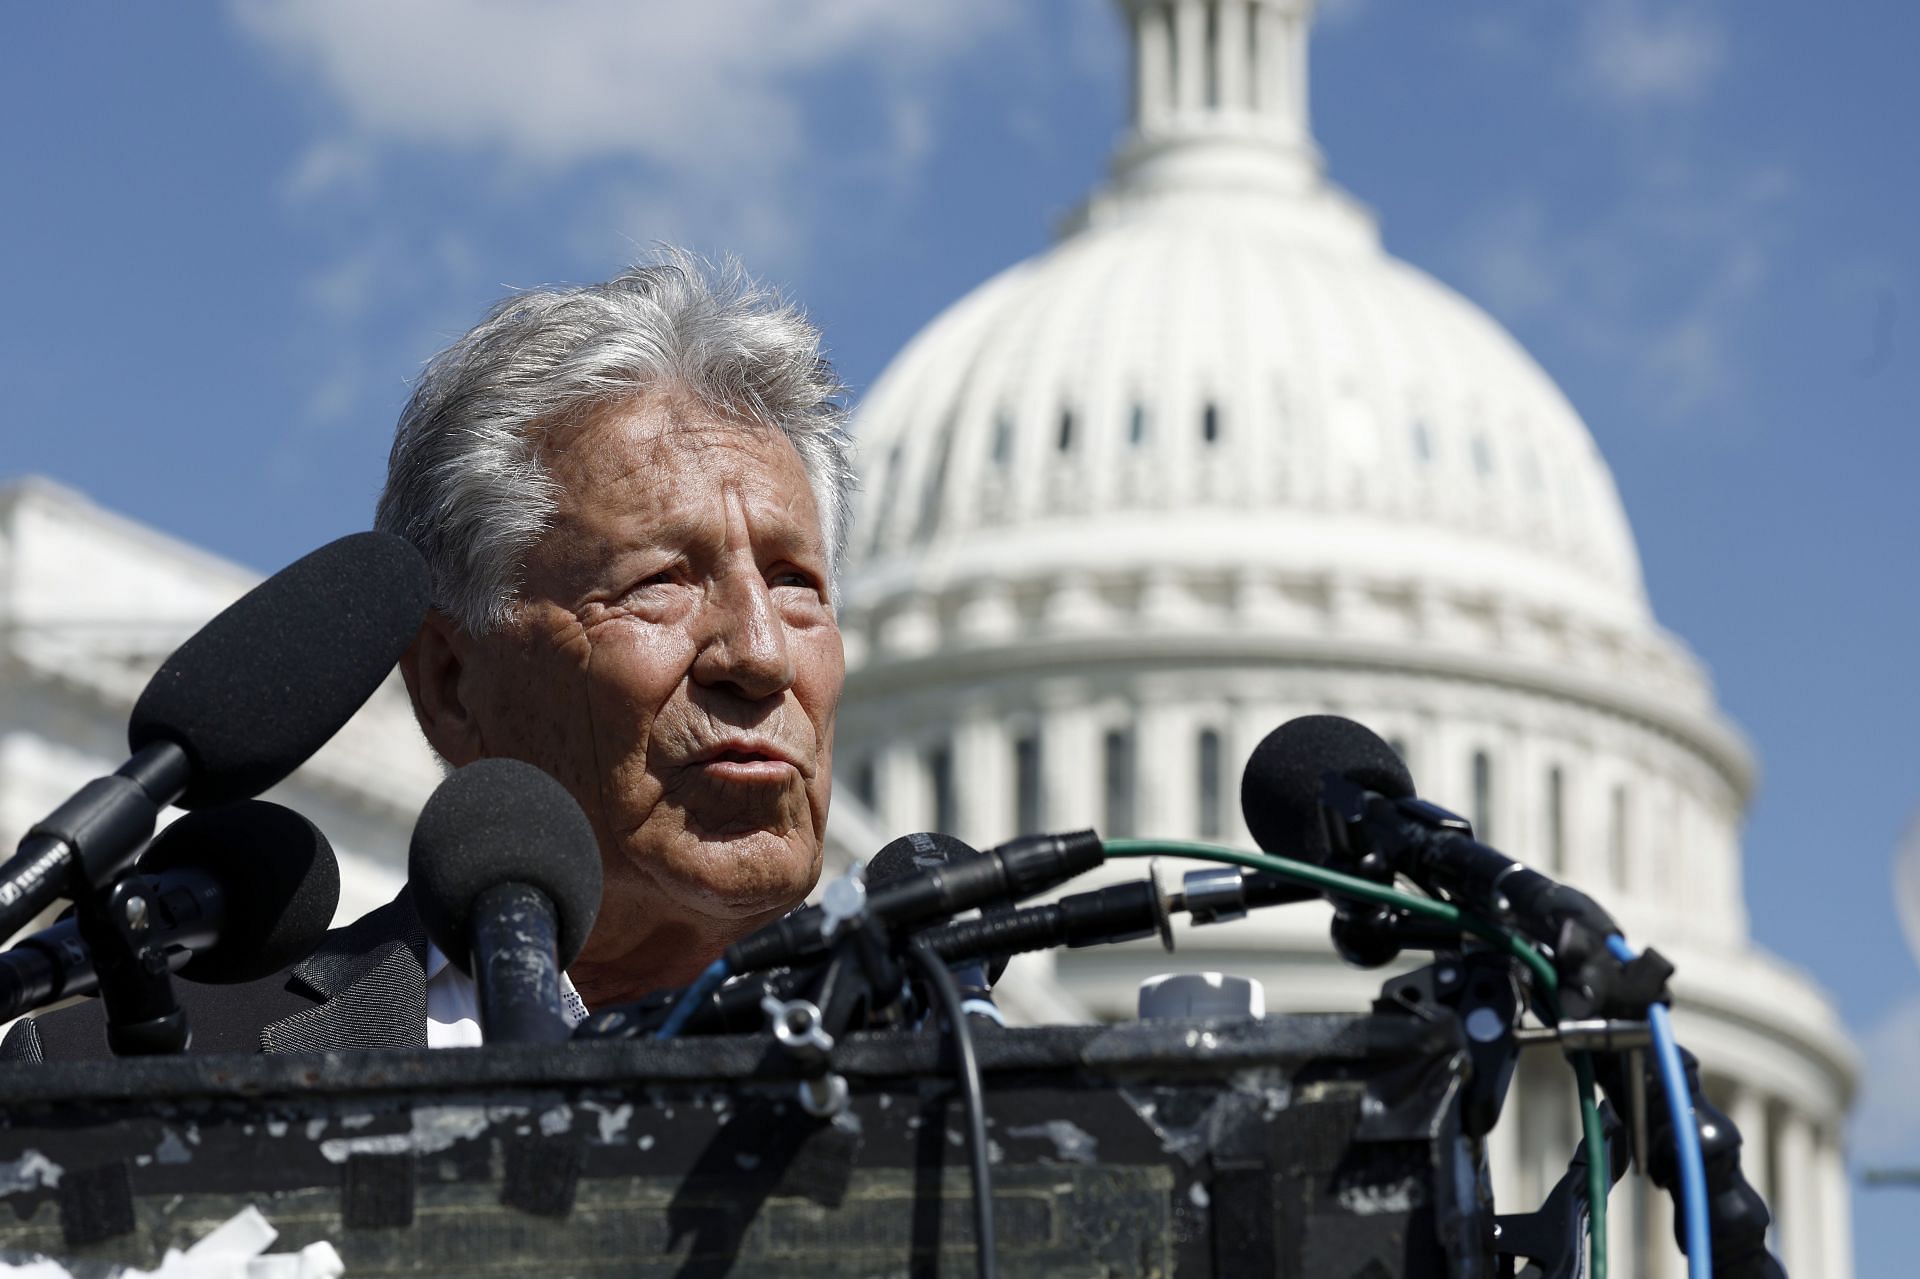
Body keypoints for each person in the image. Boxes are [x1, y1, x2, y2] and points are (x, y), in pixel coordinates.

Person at [3, 251, 855, 1058]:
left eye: (796, 584)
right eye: (662, 580)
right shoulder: (120, 1061)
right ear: (451, 681)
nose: (761, 652)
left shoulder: (966, 1080)